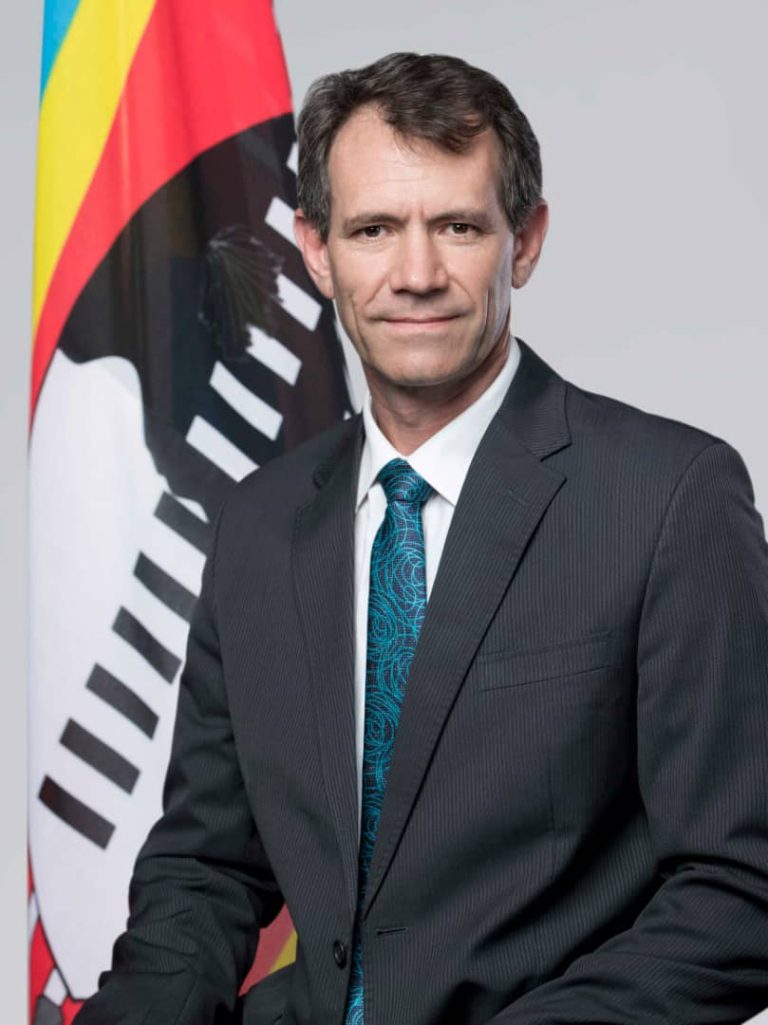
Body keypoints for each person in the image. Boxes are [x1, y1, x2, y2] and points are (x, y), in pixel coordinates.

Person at [75, 52, 768, 1025]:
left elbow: (741, 887)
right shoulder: (258, 525)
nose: (416, 275)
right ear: (317, 250)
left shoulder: (668, 499)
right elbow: (206, 863)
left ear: (525, 242)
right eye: (373, 230)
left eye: (458, 226)